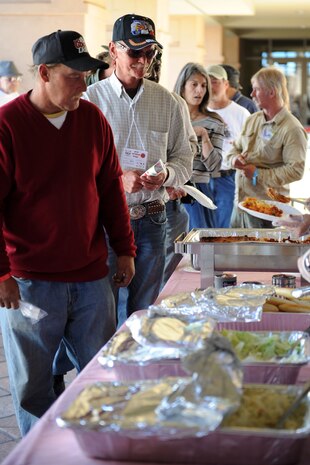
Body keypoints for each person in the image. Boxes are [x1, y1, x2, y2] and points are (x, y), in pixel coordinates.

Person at [0, 29, 136, 436]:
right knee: (33, 387)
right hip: (30, 281)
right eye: (74, 76)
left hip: (91, 275)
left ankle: (98, 449)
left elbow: (111, 188)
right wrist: (3, 274)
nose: (84, 85)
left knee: (101, 374)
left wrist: (125, 249)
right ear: (43, 73)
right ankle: (40, 454)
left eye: (88, 75)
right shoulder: (8, 125)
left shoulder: (92, 120)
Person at [84, 13, 192, 325]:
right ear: (113, 50)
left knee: (145, 310)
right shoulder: (90, 101)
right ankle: (103, 371)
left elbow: (184, 158)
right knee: (100, 310)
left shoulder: (169, 102)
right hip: (102, 223)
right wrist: (117, 179)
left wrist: (168, 175)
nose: (143, 60)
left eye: (150, 53)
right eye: (135, 52)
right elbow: (75, 169)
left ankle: (141, 368)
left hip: (153, 218)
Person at [226, 66, 307, 228]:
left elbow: (296, 170)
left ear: (271, 92)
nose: (252, 94)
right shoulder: (252, 119)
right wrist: (234, 159)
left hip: (269, 210)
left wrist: (257, 174)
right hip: (240, 206)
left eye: (256, 89)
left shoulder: (292, 128)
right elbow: (234, 149)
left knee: (259, 253)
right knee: (235, 252)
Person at [173, 62, 224, 229]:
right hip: (170, 188)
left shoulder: (214, 122)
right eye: (194, 84)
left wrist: (203, 135)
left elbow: (215, 167)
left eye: (203, 86)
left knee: (198, 248)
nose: (199, 90)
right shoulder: (171, 116)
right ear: (182, 86)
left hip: (198, 190)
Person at [206, 65, 250, 228]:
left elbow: (250, 148)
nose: (211, 86)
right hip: (202, 178)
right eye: (207, 82)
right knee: (202, 228)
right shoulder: (198, 111)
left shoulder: (241, 113)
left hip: (228, 177)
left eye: (215, 82)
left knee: (224, 227)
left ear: (226, 84)